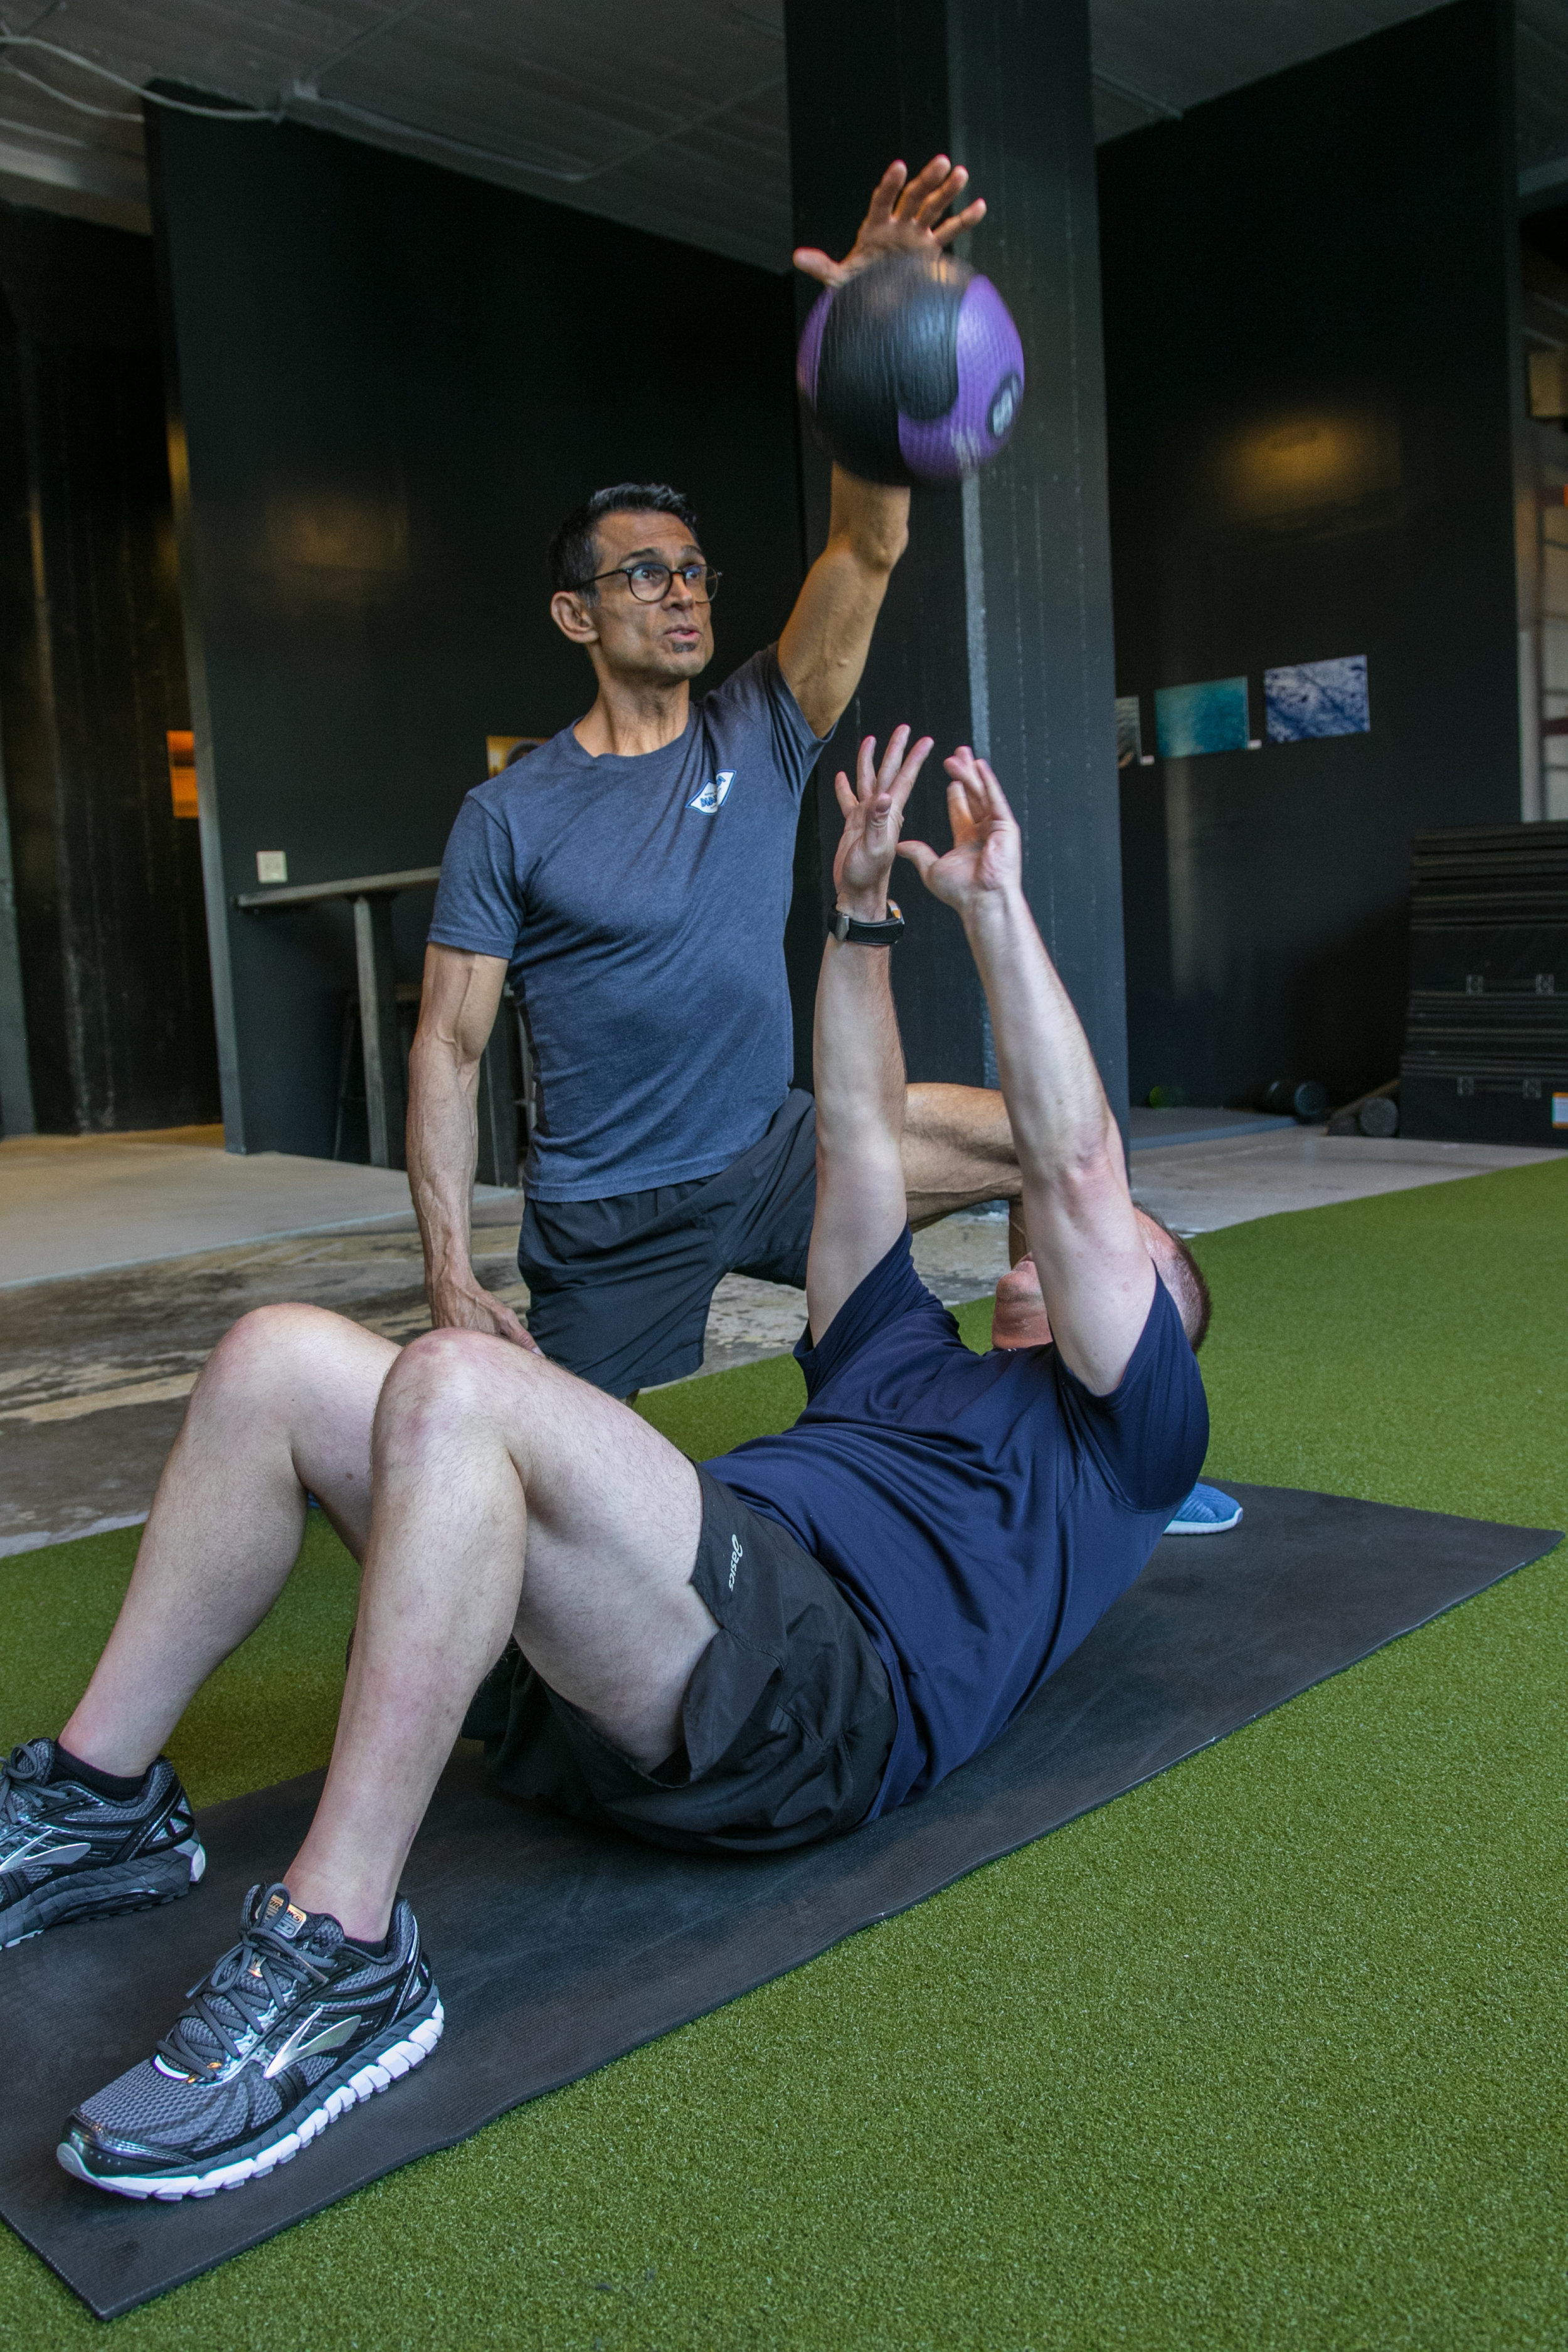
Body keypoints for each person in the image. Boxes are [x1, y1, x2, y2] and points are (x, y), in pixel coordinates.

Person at [2, 727, 1208, 2201]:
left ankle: (341, 1953)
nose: (1085, 1258)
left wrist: (997, 906)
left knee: (461, 1384)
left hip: (814, 1699)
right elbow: (852, 1137)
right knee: (276, 1358)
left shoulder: (1128, 1440)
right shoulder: (899, 1345)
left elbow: (1077, 1171)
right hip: (634, 1648)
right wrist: (857, 916)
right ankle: (95, 1801)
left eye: (1137, 1270)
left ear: (1156, 1324)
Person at [412, 155, 1021, 1401]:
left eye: (690, 568)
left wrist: (870, 332)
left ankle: (1080, 1419)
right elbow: (446, 1048)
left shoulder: (762, 722)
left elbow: (868, 538)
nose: (678, 588)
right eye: (641, 573)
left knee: (1047, 1136)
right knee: (549, 1533)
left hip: (774, 1150)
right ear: (573, 616)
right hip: (612, 1210)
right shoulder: (509, 814)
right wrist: (444, 1270)